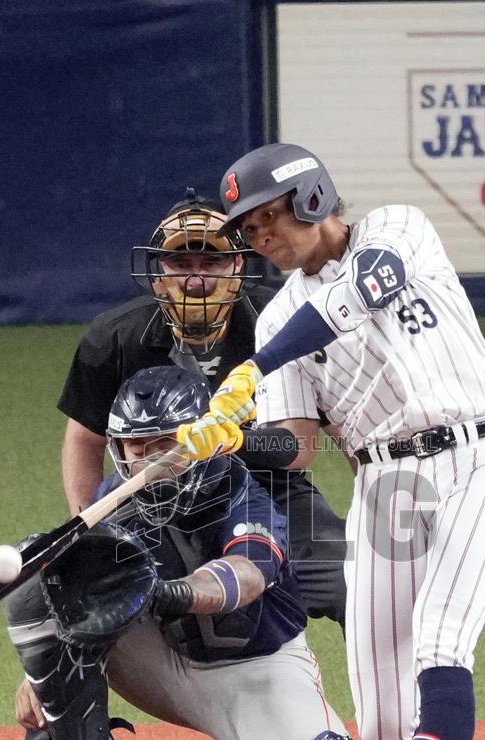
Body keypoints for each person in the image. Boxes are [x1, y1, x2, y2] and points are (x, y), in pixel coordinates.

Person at [175, 143, 485, 740]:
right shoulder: (278, 315)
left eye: (265, 216)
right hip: (390, 488)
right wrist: (229, 436)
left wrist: (256, 364)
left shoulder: (395, 232)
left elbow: (363, 294)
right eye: (247, 227)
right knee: (379, 728)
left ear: (311, 199)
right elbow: (299, 449)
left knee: (441, 640)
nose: (257, 236)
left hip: (481, 459)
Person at [1, 366, 379, 740]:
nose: (149, 464)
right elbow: (77, 597)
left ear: (202, 442)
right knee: (39, 583)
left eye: (166, 446)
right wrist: (43, 672)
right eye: (137, 449)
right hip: (162, 667)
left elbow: (245, 575)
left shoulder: (244, 493)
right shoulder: (116, 501)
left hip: (256, 670)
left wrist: (172, 593)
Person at [57, 188, 347, 627]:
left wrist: (226, 442)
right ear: (158, 273)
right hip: (154, 495)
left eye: (211, 262)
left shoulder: (283, 321)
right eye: (181, 263)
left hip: (270, 487)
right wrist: (90, 526)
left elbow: (303, 445)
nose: (196, 278)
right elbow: (84, 439)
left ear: (236, 268)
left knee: (355, 582)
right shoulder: (114, 337)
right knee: (90, 601)